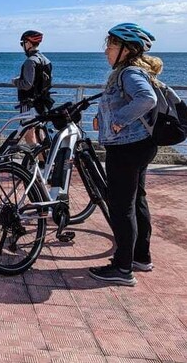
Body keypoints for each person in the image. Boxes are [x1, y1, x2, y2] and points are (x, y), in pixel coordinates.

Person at [89, 23, 160, 286]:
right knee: (137, 200)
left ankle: (122, 268)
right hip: (140, 145)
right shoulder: (131, 71)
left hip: (127, 148)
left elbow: (146, 98)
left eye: (112, 45)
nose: (107, 50)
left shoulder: (129, 73)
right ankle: (141, 257)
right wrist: (103, 118)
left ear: (127, 50)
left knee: (121, 206)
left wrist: (118, 119)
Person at [12, 30, 53, 146]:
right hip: (43, 101)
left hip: (29, 103)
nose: (22, 46)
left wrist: (15, 81)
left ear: (28, 43)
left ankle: (38, 161)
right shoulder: (46, 60)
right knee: (40, 130)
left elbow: (27, 84)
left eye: (22, 43)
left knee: (28, 132)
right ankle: (44, 160)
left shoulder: (30, 61)